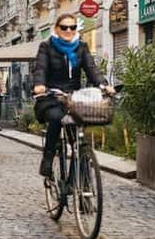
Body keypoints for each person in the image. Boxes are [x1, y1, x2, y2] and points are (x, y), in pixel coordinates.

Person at [33, 14, 115, 177]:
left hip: (74, 97)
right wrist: (39, 85)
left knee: (78, 134)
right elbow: (41, 68)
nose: (68, 30)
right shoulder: (46, 47)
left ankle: (77, 173)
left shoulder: (81, 47)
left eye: (72, 27)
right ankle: (48, 158)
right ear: (57, 29)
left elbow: (91, 69)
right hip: (52, 96)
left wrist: (104, 85)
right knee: (56, 118)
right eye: (64, 27)